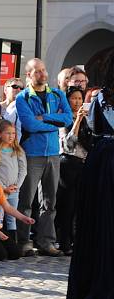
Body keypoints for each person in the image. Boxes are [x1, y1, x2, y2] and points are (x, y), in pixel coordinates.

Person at [66, 55, 114, 299]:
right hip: (107, 161)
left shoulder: (96, 99)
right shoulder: (98, 100)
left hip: (100, 159)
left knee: (97, 224)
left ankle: (87, 290)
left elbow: (94, 129)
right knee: (102, 224)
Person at [15, 58, 73, 257]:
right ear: (28, 75)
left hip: (53, 154)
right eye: (37, 71)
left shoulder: (57, 94)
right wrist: (54, 124)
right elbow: (30, 125)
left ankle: (46, 242)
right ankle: (23, 241)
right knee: (26, 200)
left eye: (43, 70)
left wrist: (46, 118)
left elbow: (68, 118)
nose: (42, 74)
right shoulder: (23, 98)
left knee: (50, 201)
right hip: (32, 153)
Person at [56, 86, 89, 256]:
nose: (77, 102)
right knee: (67, 205)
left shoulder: (88, 119)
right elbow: (68, 145)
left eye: (80, 99)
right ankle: (64, 242)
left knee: (80, 205)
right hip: (68, 164)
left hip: (84, 164)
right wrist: (77, 121)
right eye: (73, 98)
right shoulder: (64, 118)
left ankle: (78, 240)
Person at [0, 119, 27, 236]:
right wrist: (3, 187)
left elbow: (23, 170)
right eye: (8, 133)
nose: (11, 136)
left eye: (13, 133)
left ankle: (12, 243)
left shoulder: (18, 150)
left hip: (14, 191)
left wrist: (16, 186)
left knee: (12, 218)